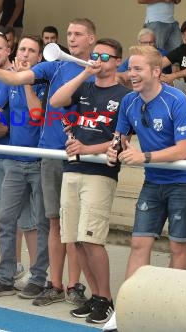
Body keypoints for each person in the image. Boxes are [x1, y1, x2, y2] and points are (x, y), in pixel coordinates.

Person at [0, 19, 97, 308]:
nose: (72, 38)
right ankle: (24, 279)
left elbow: (38, 113)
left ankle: (58, 282)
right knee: (26, 221)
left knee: (57, 226)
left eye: (77, 33)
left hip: (65, 157)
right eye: (69, 33)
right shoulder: (49, 68)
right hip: (36, 158)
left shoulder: (74, 72)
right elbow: (11, 86)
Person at [102, 45, 186, 332]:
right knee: (139, 243)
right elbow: (119, 138)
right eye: (130, 68)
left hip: (185, 183)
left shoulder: (177, 100)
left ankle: (170, 312)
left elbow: (184, 150)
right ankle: (126, 310)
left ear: (156, 72)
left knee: (177, 245)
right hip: (154, 182)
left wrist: (143, 156)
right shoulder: (129, 102)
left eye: (137, 69)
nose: (130, 74)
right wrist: (114, 151)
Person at [50, 38, 129, 324]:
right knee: (76, 240)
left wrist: (87, 149)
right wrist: (85, 71)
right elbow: (56, 101)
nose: (98, 60)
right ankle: (95, 296)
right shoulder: (85, 85)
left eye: (105, 57)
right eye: (95, 55)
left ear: (118, 61)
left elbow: (121, 139)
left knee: (92, 239)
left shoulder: (124, 96)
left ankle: (106, 299)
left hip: (100, 173)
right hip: (72, 170)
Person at [0, 35, 49, 300]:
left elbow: (36, 115)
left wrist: (25, 82)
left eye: (31, 51)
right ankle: (6, 277)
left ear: (39, 58)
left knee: (41, 223)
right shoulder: (8, 80)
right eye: (22, 50)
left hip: (40, 163)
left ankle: (38, 277)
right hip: (15, 162)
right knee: (6, 220)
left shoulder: (43, 81)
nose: (26, 54)